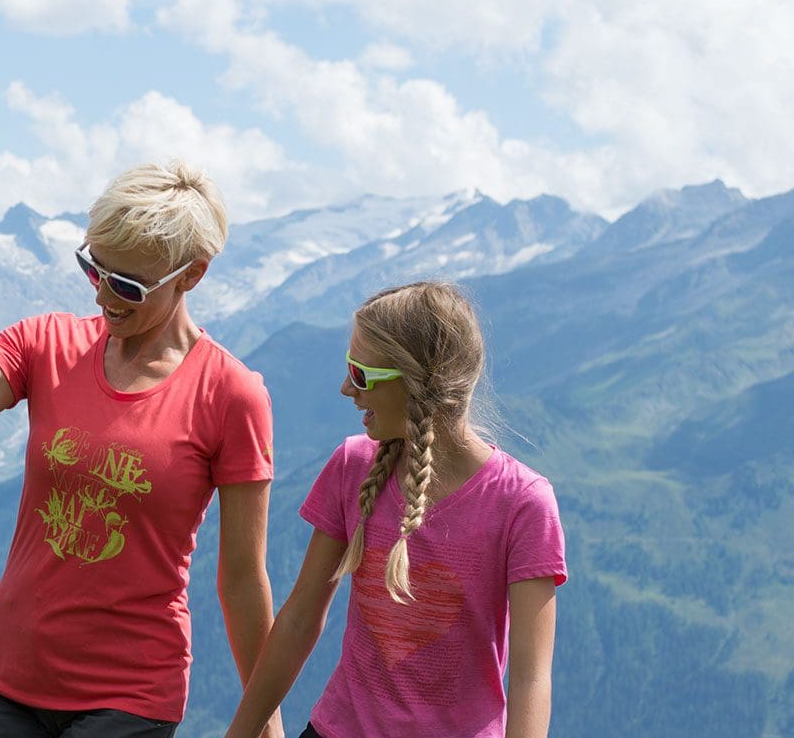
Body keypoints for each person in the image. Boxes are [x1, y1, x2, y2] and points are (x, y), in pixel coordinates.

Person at [0, 164, 281, 738]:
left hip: (132, 693)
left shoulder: (231, 395)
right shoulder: (45, 344)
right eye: (93, 267)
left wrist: (264, 722)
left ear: (191, 275)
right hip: (6, 677)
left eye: (127, 286)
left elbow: (243, 579)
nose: (101, 294)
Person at [223, 282, 565, 738]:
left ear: (416, 382)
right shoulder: (353, 465)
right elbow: (300, 618)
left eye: (361, 374)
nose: (346, 389)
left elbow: (531, 678)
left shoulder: (523, 504)